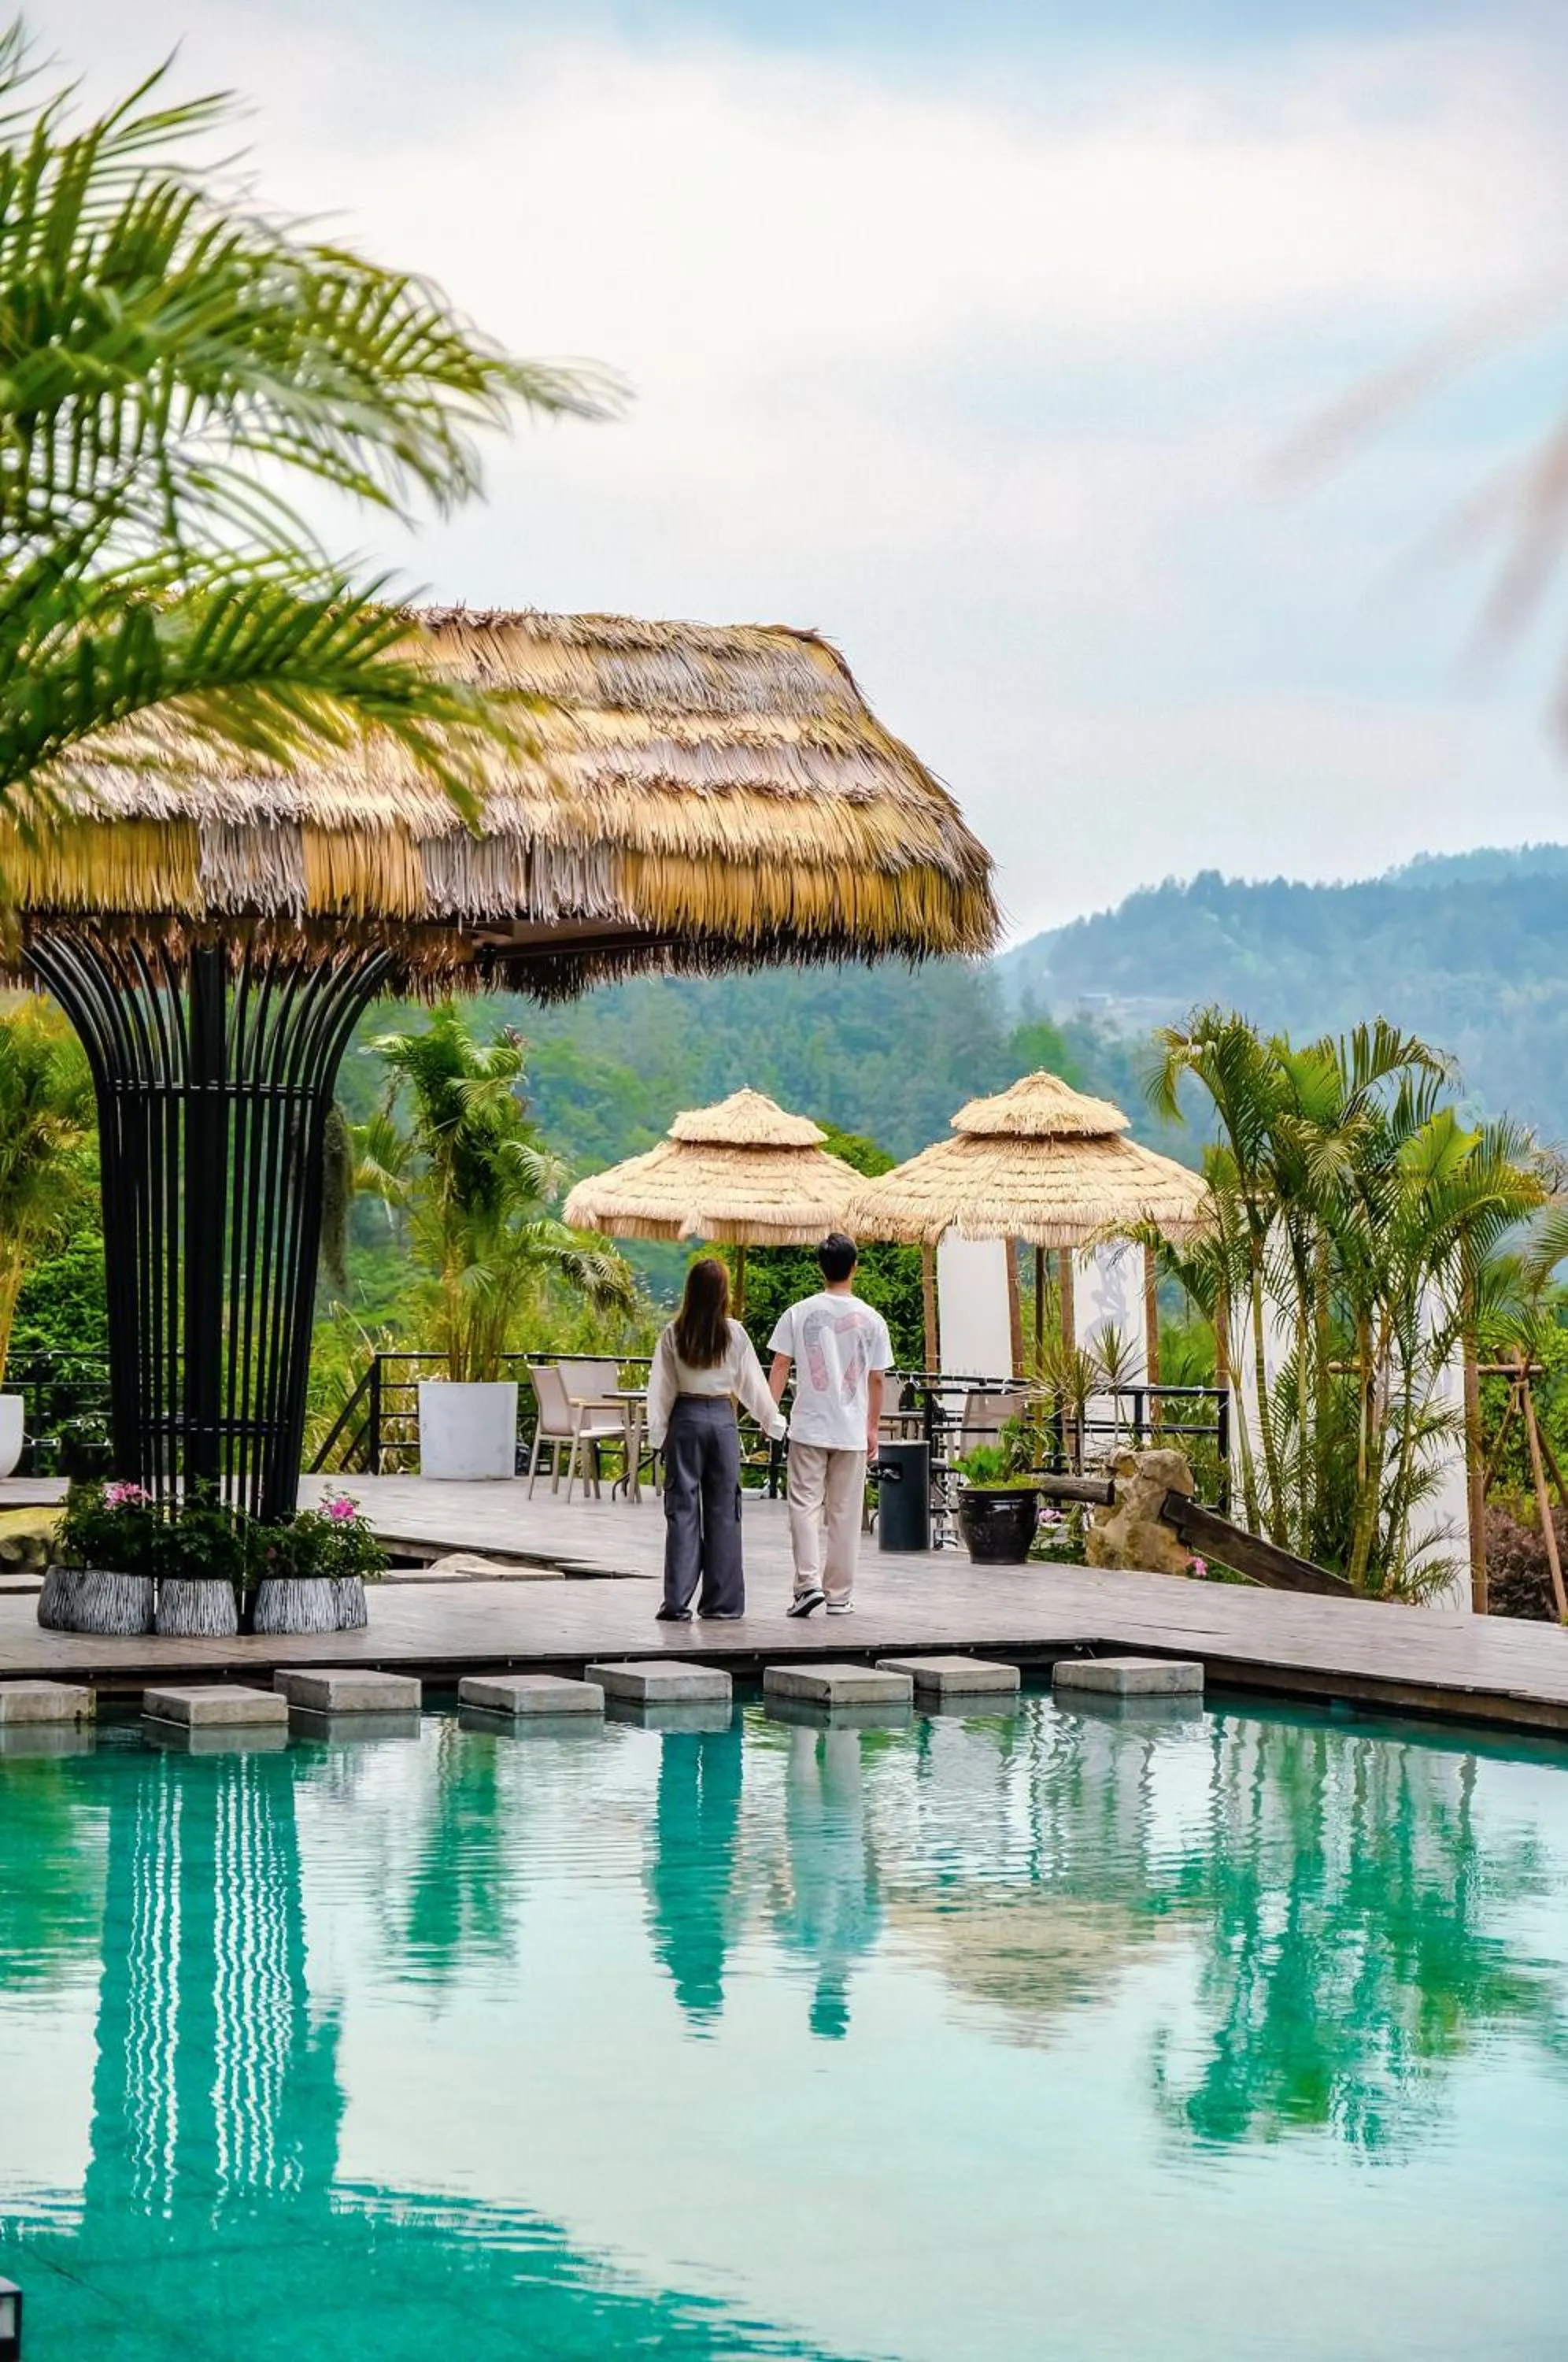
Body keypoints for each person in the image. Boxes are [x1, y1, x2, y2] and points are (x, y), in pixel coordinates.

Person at [645, 1257, 786, 1622]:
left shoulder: (674, 1333)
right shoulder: (734, 1333)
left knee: (682, 1512)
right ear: (722, 1293)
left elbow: (661, 1389)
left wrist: (658, 1435)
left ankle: (677, 1603)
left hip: (686, 1420)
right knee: (725, 1512)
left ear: (690, 1291)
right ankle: (722, 1604)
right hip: (722, 1423)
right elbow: (753, 1385)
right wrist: (774, 1424)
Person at [767, 1233, 893, 1618]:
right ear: (855, 1267)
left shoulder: (798, 1312)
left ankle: (807, 1585)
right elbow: (876, 1379)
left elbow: (780, 1365)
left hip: (809, 1424)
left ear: (820, 1267)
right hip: (851, 1429)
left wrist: (770, 1414)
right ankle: (839, 1595)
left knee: (804, 1505)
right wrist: (872, 1427)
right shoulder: (873, 1319)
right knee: (844, 1513)